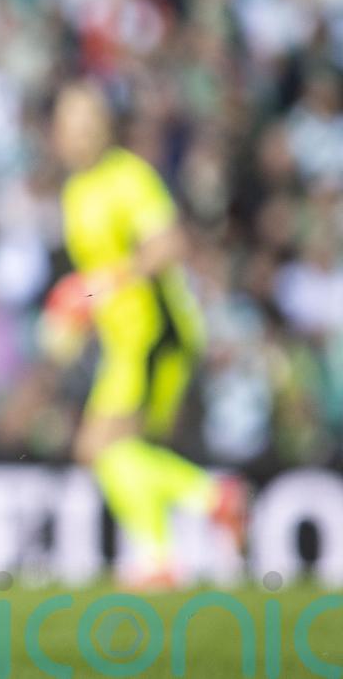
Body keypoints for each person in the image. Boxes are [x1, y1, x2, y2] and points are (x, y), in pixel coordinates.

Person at [51, 81, 246, 588]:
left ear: (106, 128)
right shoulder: (76, 191)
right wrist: (80, 309)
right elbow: (101, 276)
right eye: (71, 125)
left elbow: (168, 245)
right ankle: (183, 531)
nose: (79, 134)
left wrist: (99, 286)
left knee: (101, 447)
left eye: (88, 123)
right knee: (113, 450)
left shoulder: (129, 178)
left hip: (157, 331)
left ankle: (192, 518)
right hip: (124, 338)